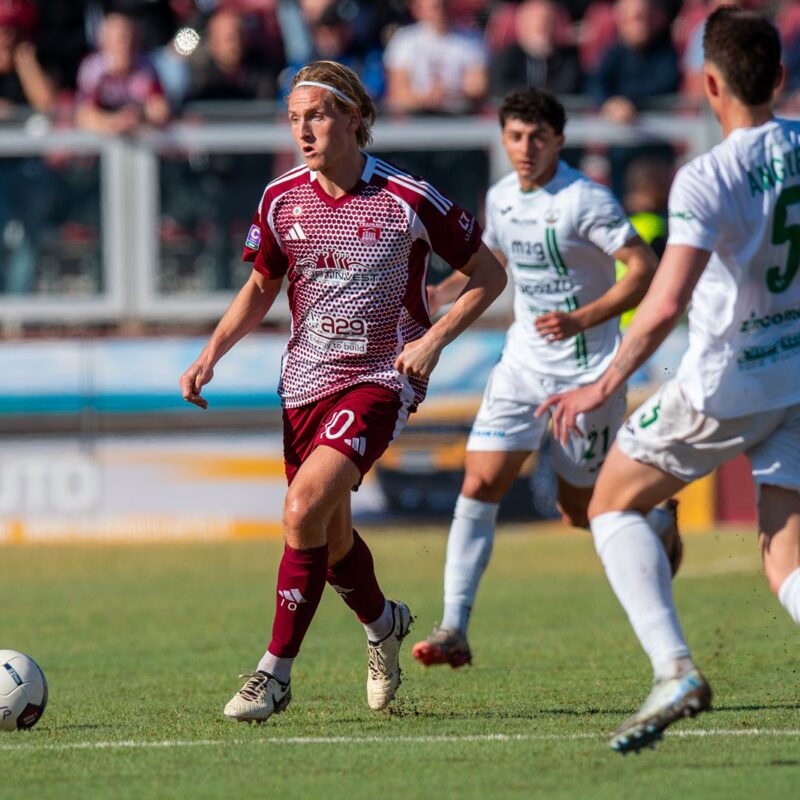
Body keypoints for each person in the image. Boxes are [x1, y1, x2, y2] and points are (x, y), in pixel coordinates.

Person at [180, 59, 506, 723]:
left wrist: (433, 340)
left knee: (301, 508)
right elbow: (261, 288)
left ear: (356, 119)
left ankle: (273, 675)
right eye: (295, 118)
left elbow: (488, 275)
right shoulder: (280, 200)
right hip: (304, 383)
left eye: (318, 115)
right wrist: (210, 353)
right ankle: (384, 623)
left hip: (383, 375)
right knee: (327, 542)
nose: (304, 130)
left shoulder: (408, 199)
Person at [538, 7, 800, 754]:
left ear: (709, 84)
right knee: (786, 557)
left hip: (727, 383)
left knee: (611, 505)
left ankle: (674, 669)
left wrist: (604, 381)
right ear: (780, 78)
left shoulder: (707, 176)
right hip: (798, 373)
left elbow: (664, 302)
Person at [411, 87, 681, 669]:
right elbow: (496, 260)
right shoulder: (503, 196)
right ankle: (453, 625)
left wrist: (583, 317)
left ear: (559, 139)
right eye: (514, 136)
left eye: (537, 136)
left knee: (580, 512)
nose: (525, 147)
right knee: (479, 484)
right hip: (520, 368)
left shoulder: (587, 201)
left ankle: (658, 517)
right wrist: (439, 291)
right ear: (503, 139)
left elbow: (644, 269)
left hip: (587, 376)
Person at [76, 12, 169, 135]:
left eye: (130, 38)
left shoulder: (146, 66)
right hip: (103, 137)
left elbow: (161, 110)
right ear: (105, 42)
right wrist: (114, 122)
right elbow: (84, 115)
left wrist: (138, 115)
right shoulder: (93, 68)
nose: (126, 45)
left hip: (140, 135)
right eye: (120, 39)